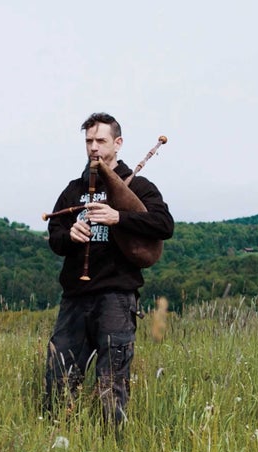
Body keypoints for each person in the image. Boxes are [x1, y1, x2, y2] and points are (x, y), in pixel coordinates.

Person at [45, 112, 174, 432]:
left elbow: (164, 225)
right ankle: (56, 437)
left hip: (116, 296)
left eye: (100, 141)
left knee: (112, 378)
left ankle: (113, 447)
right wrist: (69, 235)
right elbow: (55, 238)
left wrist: (119, 217)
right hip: (75, 297)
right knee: (58, 375)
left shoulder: (140, 186)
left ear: (117, 143)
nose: (93, 148)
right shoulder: (75, 189)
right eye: (88, 141)